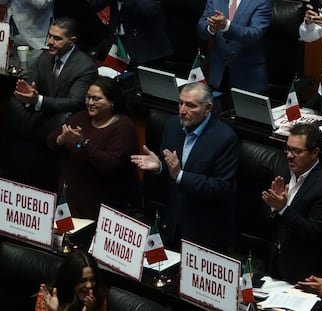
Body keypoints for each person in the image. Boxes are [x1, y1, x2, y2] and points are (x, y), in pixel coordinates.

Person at [131, 82, 239, 253]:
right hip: (174, 220)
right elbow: (170, 170)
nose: (182, 110)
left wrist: (180, 175)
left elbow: (221, 186)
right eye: (181, 103)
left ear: (208, 108)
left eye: (190, 106)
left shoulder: (225, 139)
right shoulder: (173, 125)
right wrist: (159, 166)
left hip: (206, 229)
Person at [3, 17, 98, 192]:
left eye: (57, 38)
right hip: (41, 124)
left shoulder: (85, 67)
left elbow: (75, 102)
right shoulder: (45, 57)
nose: (51, 42)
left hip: (64, 130)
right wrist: (28, 90)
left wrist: (38, 100)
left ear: (72, 41)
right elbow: (31, 80)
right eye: (50, 36)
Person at [47, 76, 141, 220]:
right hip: (69, 201)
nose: (90, 103)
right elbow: (51, 140)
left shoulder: (124, 128)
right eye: (88, 97)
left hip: (102, 207)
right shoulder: (81, 117)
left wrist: (83, 143)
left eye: (97, 99)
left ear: (112, 102)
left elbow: (111, 164)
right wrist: (61, 138)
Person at [262, 123, 322, 283]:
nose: (289, 155)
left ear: (315, 152)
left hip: (304, 272)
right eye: (288, 149)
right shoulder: (283, 172)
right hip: (276, 262)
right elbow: (269, 219)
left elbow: (313, 232)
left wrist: (283, 209)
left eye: (296, 151)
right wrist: (274, 208)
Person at [197, 0, 273, 96]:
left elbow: (255, 34)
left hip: (247, 77)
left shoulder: (262, 1)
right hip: (218, 74)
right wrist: (211, 28)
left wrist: (227, 26)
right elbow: (201, 28)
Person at [84, 0, 172, 69]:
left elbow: (150, 9)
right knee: (119, 85)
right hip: (118, 43)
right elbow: (94, 5)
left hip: (147, 49)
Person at [38, 249, 108, 311]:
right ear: (70, 280)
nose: (89, 285)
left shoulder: (99, 299)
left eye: (92, 279)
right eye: (82, 280)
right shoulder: (48, 297)